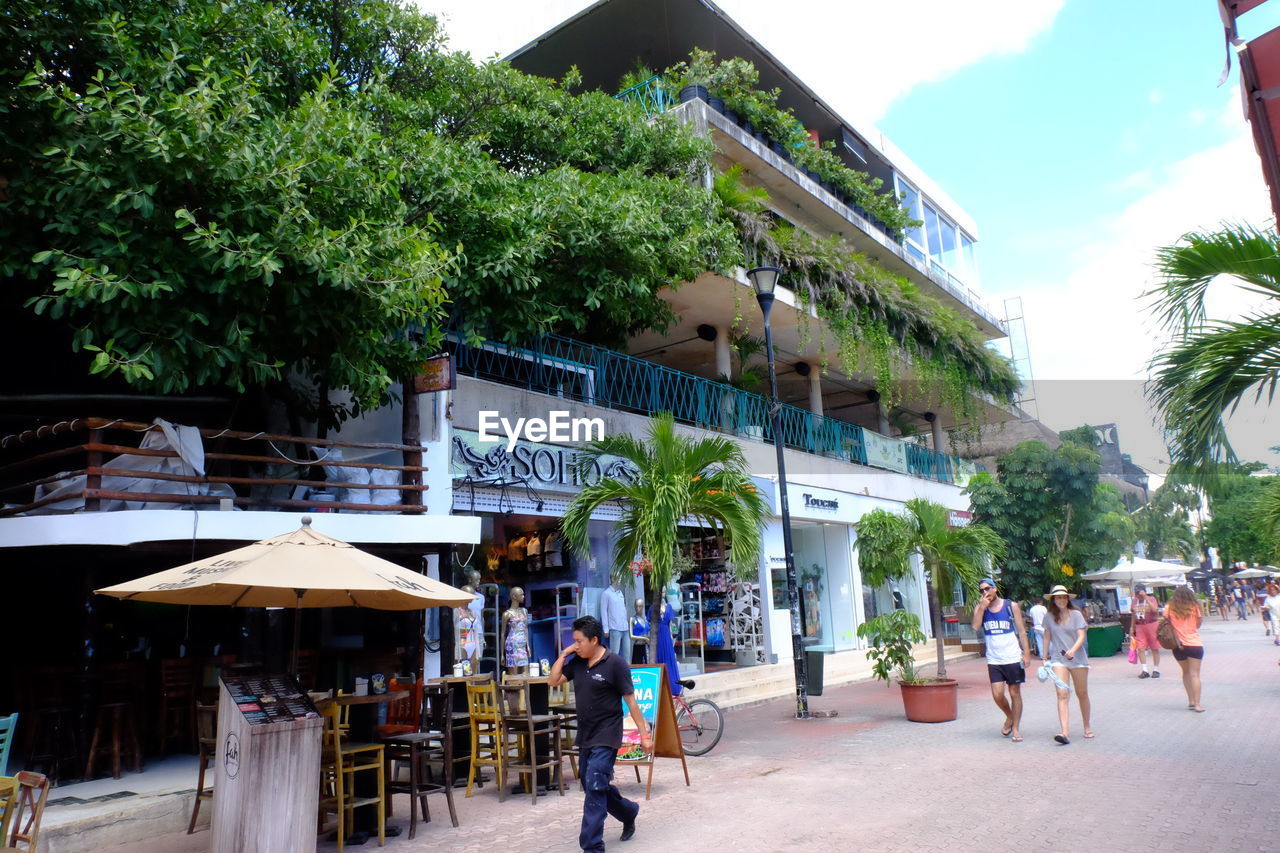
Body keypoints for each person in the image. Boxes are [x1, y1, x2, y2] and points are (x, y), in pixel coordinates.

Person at [548, 615, 651, 852]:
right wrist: (564, 655)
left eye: (579, 641)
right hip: (586, 734)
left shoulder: (615, 664)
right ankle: (628, 811)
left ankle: (592, 847)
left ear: (594, 640)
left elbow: (632, 703)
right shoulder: (577, 662)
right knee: (593, 783)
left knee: (595, 783)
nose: (576, 645)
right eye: (573, 641)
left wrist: (644, 736)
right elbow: (553, 681)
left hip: (607, 734)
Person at [970, 577, 1031, 742]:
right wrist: (982, 608)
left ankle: (1016, 728)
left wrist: (1026, 653)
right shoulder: (980, 608)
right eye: (981, 590)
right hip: (994, 659)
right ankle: (1010, 717)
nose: (985, 592)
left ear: (995, 588)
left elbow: (1021, 631)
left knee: (1014, 693)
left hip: (1012, 656)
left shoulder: (1011, 606)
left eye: (987, 588)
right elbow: (975, 627)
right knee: (997, 695)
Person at [1042, 585, 1092, 744]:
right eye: (1058, 597)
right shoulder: (1049, 616)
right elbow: (1046, 637)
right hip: (1058, 659)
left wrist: (1073, 650)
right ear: (1053, 600)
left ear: (1068, 599)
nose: (1061, 600)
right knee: (1062, 694)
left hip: (1077, 659)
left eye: (1064, 597)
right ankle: (1064, 732)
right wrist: (1044, 657)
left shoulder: (1076, 614)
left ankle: (1087, 726)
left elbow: (1081, 636)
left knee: (1081, 693)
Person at [1164, 586, 1206, 712]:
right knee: (1195, 674)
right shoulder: (1195, 607)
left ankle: (1191, 701)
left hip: (1177, 645)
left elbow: (1166, 623)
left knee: (1186, 672)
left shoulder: (1169, 608)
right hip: (1194, 644)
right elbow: (1198, 625)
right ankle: (1198, 704)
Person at [1129, 586, 1162, 679]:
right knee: (1141, 648)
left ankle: (1156, 669)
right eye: (1136, 593)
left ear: (1144, 591)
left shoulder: (1152, 599)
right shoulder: (1135, 601)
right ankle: (1145, 670)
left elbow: (1155, 610)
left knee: (1154, 647)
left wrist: (1146, 598)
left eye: (1139, 593)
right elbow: (1133, 615)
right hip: (1140, 625)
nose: (1138, 595)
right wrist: (1132, 627)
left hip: (1152, 624)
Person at [501, 586, 531, 675]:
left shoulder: (524, 611)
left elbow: (525, 628)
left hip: (522, 644)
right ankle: (513, 688)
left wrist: (528, 645)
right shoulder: (507, 614)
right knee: (513, 675)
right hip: (512, 644)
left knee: (525, 672)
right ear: (514, 597)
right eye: (521, 595)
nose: (523, 597)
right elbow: (502, 634)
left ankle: (525, 689)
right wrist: (502, 654)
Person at [600, 579, 630, 659]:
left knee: (627, 654)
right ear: (613, 579)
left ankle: (627, 670)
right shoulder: (606, 593)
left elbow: (623, 609)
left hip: (625, 628)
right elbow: (603, 611)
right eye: (619, 578)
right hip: (614, 628)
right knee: (614, 654)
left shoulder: (620, 593)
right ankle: (614, 671)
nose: (620, 580)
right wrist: (606, 629)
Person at [629, 598, 650, 664]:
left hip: (646, 646)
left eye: (640, 606)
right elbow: (631, 636)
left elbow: (648, 632)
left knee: (647, 665)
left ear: (643, 607)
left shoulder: (645, 620)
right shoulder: (632, 619)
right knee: (638, 666)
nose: (638, 608)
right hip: (637, 646)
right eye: (636, 606)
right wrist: (644, 638)